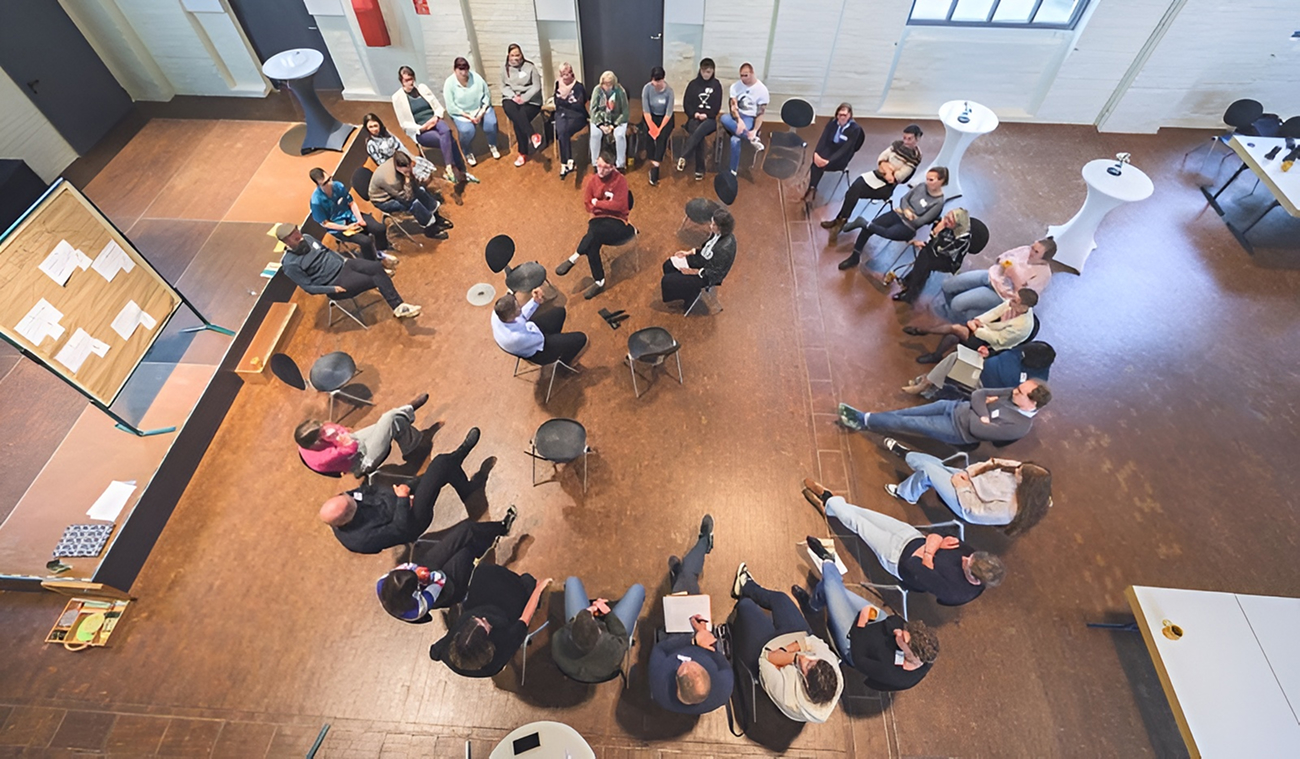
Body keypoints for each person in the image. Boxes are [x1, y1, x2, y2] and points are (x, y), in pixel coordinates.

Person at [803, 480, 1006, 607]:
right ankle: (831, 508)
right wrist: (930, 552)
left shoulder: (956, 592)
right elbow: (939, 534)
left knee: (858, 524)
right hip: (911, 536)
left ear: (974, 578)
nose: (963, 556)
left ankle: (828, 499)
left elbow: (913, 565)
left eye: (966, 563)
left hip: (895, 555)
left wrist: (932, 547)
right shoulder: (973, 557)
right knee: (865, 514)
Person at [316, 427, 486, 554]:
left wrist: (398, 494)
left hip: (396, 497)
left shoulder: (344, 502)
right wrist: (403, 502)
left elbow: (370, 490)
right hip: (412, 521)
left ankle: (465, 487)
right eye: (350, 499)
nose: (349, 494)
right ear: (348, 516)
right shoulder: (362, 540)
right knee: (441, 464)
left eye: (346, 495)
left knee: (436, 475)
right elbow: (399, 529)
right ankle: (460, 463)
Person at [794, 557, 939, 691]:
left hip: (854, 640)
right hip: (876, 623)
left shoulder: (891, 672)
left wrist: (861, 623)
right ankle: (814, 603)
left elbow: (858, 659)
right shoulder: (925, 649)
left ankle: (827, 561)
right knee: (834, 590)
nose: (898, 632)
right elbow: (894, 622)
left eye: (903, 639)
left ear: (911, 654)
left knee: (831, 584)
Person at [730, 564, 843, 722]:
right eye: (814, 660)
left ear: (807, 685)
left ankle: (743, 597)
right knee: (781, 599)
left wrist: (795, 657)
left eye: (808, 666)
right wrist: (789, 650)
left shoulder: (789, 698)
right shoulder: (833, 672)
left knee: (746, 606)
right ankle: (746, 587)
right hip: (787, 648)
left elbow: (766, 659)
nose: (808, 659)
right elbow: (812, 641)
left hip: (764, 656)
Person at [649, 514, 733, 714]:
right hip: (705, 636)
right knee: (686, 582)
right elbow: (723, 662)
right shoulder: (724, 686)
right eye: (698, 665)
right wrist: (708, 644)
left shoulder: (659, 681)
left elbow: (660, 649)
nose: (692, 660)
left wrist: (692, 641)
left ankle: (687, 567)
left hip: (677, 638)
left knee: (684, 581)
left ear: (676, 681)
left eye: (687, 664)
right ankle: (702, 547)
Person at [881, 439, 1053, 536]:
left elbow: (974, 511)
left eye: (1020, 473)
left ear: (1027, 484)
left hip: (966, 501)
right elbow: (993, 463)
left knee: (928, 471)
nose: (1015, 470)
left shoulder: (1008, 509)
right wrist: (969, 473)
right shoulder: (1022, 475)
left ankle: (906, 493)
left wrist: (962, 486)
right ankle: (907, 455)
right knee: (933, 465)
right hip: (970, 479)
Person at [376, 508, 517, 622]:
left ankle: (501, 528)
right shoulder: (417, 608)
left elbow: (406, 567)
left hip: (423, 571)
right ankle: (481, 552)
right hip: (444, 589)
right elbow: (439, 578)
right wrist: (425, 577)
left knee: (466, 530)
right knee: (465, 551)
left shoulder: (382, 582)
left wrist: (417, 570)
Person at [836, 378, 1053, 447]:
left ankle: (863, 420)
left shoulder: (1020, 426)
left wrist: (980, 412)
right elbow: (980, 393)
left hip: (955, 429)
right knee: (909, 413)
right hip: (954, 406)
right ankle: (869, 420)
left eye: (1020, 392)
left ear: (1031, 403)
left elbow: (975, 428)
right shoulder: (1015, 394)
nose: (1014, 390)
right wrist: (983, 411)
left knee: (909, 424)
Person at [274, 223, 421, 319]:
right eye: (295, 237)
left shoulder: (307, 238)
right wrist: (333, 289)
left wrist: (343, 260)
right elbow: (309, 288)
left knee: (376, 268)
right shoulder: (290, 265)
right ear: (287, 242)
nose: (300, 238)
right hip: (335, 282)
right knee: (375, 279)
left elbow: (326, 251)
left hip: (345, 265)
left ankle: (399, 306)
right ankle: (397, 305)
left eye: (297, 232)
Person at [429, 566, 551, 678]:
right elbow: (525, 618)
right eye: (483, 623)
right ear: (487, 644)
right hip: (505, 613)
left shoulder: (445, 652)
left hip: (481, 604)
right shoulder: (504, 645)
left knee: (482, 573)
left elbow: (434, 652)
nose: (483, 618)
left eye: (475, 619)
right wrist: (538, 589)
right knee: (527, 583)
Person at [821, 124, 925, 240]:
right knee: (853, 188)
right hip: (877, 175)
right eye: (904, 137)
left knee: (855, 191)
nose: (905, 141)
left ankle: (840, 222)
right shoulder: (897, 145)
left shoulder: (915, 157)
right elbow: (881, 158)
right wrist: (888, 168)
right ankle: (840, 220)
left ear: (917, 139)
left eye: (909, 139)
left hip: (886, 187)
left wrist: (885, 168)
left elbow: (898, 177)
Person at [555, 151, 632, 299]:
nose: (601, 171)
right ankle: (599, 281)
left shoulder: (620, 181)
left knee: (594, 233)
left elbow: (621, 205)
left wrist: (599, 204)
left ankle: (574, 258)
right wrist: (603, 205)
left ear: (613, 168)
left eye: (605, 168)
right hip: (598, 223)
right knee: (592, 245)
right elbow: (588, 205)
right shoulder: (592, 180)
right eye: (599, 166)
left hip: (618, 224)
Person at [836, 168, 947, 271]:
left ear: (941, 181)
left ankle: (863, 223)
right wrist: (907, 211)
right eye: (927, 178)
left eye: (931, 180)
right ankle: (855, 256)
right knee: (870, 228)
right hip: (897, 215)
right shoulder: (921, 186)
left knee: (886, 232)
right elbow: (904, 199)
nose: (927, 182)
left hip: (908, 227)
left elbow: (921, 221)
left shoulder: (938, 203)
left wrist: (906, 212)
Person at [903, 288, 1038, 365]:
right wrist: (978, 320)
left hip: (990, 345)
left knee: (954, 330)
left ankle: (923, 332)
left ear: (1024, 306)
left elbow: (999, 340)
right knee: (953, 333)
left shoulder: (1022, 327)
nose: (1010, 301)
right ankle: (934, 351)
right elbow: (994, 312)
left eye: (1015, 300)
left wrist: (976, 329)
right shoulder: (1012, 304)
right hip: (985, 330)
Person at [552, 577, 646, 682]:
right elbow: (621, 637)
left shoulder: (557, 640)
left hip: (574, 671)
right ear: (599, 630)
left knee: (571, 581)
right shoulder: (612, 650)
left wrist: (587, 612)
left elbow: (569, 625)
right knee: (638, 589)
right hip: (602, 668)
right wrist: (608, 614)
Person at [941, 238, 1055, 322]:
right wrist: (1006, 264)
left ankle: (955, 323)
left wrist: (1014, 277)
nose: (1030, 252)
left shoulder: (1043, 275)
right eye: (1032, 247)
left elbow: (1025, 298)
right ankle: (950, 311)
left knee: (957, 304)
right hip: (991, 275)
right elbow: (1003, 256)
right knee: (948, 285)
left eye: (1036, 252)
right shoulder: (1025, 250)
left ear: (1045, 259)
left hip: (1001, 294)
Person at [389, 67, 467, 185]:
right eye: (406, 80)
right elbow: (403, 124)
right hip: (421, 129)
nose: (410, 82)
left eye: (411, 79)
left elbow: (438, 107)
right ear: (401, 81)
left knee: (446, 130)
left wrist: (435, 117)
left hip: (434, 120)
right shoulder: (397, 98)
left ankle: (449, 167)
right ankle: (457, 168)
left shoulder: (422, 88)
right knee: (447, 139)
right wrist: (421, 127)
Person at [901, 340, 1055, 399]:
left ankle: (927, 383)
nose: (1021, 354)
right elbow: (1005, 351)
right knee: (955, 357)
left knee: (952, 371)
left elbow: (1016, 397)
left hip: (985, 388)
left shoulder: (1036, 381)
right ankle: (925, 383)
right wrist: (989, 353)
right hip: (980, 367)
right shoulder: (1025, 350)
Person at [308, 168, 394, 266]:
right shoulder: (316, 202)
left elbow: (351, 203)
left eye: (329, 179)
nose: (330, 183)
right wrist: (347, 227)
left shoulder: (338, 186)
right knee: (366, 241)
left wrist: (359, 219)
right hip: (340, 227)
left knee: (380, 228)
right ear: (318, 185)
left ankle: (380, 252)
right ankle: (373, 264)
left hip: (352, 216)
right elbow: (325, 223)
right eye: (325, 183)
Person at [889, 208, 972, 303]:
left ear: (957, 225)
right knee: (924, 257)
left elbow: (942, 249)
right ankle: (911, 281)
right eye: (946, 217)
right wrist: (930, 239)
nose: (945, 221)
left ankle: (910, 292)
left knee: (925, 259)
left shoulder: (962, 238)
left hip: (949, 260)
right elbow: (932, 242)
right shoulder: (944, 222)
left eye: (949, 221)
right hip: (936, 250)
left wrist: (936, 232)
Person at [491, 289, 587, 366]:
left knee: (559, 312)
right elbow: (540, 338)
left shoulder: (497, 314)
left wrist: (535, 302)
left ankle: (559, 344)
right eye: (518, 308)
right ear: (511, 316)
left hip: (529, 337)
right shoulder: (516, 337)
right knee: (581, 339)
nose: (520, 307)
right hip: (538, 351)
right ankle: (565, 360)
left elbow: (521, 317)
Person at [660, 207, 736, 307]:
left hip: (705, 275)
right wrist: (689, 252)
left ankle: (689, 293)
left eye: (714, 225)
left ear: (721, 228)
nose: (710, 226)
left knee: (667, 281)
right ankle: (684, 287)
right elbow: (706, 250)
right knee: (668, 265)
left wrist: (693, 271)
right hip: (701, 261)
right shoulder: (717, 234)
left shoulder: (723, 249)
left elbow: (714, 273)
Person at [368, 152, 452, 240]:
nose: (410, 171)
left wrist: (416, 179)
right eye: (406, 171)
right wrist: (408, 181)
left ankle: (436, 217)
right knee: (414, 204)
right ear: (398, 168)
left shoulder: (403, 159)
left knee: (421, 191)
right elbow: (407, 198)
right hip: (385, 200)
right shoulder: (391, 180)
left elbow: (414, 163)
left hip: (399, 190)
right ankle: (431, 229)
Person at [362, 112, 447, 188]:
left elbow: (400, 145)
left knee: (426, 168)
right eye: (371, 127)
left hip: (405, 158)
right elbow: (381, 162)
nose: (374, 129)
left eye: (375, 125)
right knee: (420, 177)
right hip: (395, 166)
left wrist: (410, 157)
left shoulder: (387, 134)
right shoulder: (371, 145)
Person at [444, 56, 501, 166]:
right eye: (460, 70)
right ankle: (467, 152)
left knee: (491, 123)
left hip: (480, 109)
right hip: (462, 114)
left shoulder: (477, 78)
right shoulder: (449, 83)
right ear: (455, 70)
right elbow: (451, 106)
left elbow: (486, 95)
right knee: (467, 131)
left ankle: (492, 144)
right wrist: (469, 117)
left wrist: (482, 111)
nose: (464, 73)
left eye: (466, 69)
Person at [804, 103, 864, 200]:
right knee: (815, 163)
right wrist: (816, 153)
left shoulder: (855, 129)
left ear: (850, 115)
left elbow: (846, 149)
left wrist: (829, 161)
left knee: (820, 166)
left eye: (845, 115)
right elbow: (823, 138)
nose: (842, 117)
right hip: (831, 147)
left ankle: (813, 186)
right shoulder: (832, 122)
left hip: (841, 156)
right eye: (840, 115)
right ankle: (812, 186)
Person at [719, 62, 769, 176]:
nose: (743, 78)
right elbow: (733, 106)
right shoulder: (736, 86)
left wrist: (755, 130)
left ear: (752, 74)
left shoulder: (762, 90)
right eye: (741, 75)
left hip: (749, 117)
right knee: (723, 118)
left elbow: (760, 114)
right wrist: (738, 121)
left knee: (734, 140)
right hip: (737, 116)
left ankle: (733, 171)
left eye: (746, 75)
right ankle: (751, 138)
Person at [677, 58, 722, 180]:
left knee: (699, 131)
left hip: (709, 120)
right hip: (694, 118)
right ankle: (699, 169)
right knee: (699, 134)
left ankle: (684, 156)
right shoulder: (693, 84)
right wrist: (695, 114)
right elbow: (687, 104)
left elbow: (717, 106)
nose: (706, 74)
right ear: (700, 70)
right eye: (704, 71)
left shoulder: (716, 85)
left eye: (709, 71)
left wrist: (707, 115)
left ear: (713, 71)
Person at [501, 44, 544, 167]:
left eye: (517, 55)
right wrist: (514, 97)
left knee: (519, 120)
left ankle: (522, 153)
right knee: (510, 108)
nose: (515, 58)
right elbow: (503, 87)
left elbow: (536, 86)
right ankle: (532, 134)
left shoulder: (530, 68)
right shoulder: (504, 69)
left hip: (531, 101)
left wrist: (524, 98)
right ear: (508, 56)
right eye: (513, 55)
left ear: (522, 55)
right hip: (512, 98)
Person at [552, 62, 588, 179]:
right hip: (561, 114)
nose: (567, 76)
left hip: (577, 116)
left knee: (564, 132)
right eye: (564, 74)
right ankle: (566, 162)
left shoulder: (578, 87)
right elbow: (556, 102)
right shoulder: (558, 84)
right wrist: (565, 103)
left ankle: (566, 162)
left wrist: (564, 101)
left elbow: (579, 104)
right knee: (562, 132)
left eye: (569, 73)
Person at [640, 67, 675, 186]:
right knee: (648, 134)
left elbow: (669, 113)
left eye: (658, 81)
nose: (656, 83)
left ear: (663, 79)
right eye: (654, 80)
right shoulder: (647, 89)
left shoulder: (669, 92)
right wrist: (652, 127)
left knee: (661, 137)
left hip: (664, 118)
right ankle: (651, 157)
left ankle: (656, 165)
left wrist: (659, 129)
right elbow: (646, 110)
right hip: (651, 116)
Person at [588, 71, 630, 170]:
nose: (607, 86)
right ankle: (595, 163)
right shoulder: (597, 90)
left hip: (617, 119)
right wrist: (601, 125)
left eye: (609, 84)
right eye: (605, 84)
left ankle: (620, 164)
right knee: (595, 135)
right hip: (600, 120)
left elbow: (625, 112)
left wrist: (613, 126)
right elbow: (593, 111)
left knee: (619, 136)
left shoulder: (620, 91)